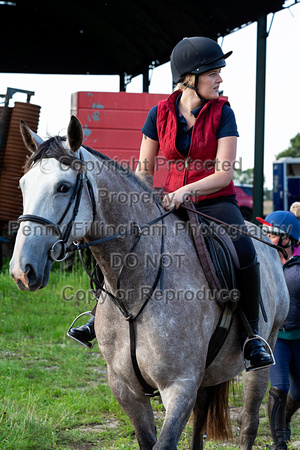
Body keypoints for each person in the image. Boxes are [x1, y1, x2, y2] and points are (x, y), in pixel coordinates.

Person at [134, 36, 273, 370]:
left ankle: (252, 337)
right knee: (126, 242)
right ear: (190, 77)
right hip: (168, 204)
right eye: (214, 72)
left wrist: (186, 192)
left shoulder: (224, 113)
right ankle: (98, 317)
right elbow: (144, 170)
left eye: (219, 73)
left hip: (215, 203)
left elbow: (224, 174)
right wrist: (139, 205)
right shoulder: (158, 113)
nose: (220, 79)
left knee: (245, 251)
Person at [257, 208, 300, 450]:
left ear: (287, 239)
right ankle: (279, 443)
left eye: (270, 233)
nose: (265, 236)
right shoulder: (262, 260)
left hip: (299, 337)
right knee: (279, 387)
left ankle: (284, 419)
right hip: (277, 338)